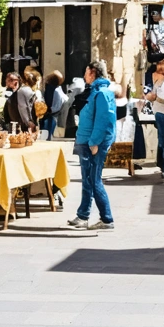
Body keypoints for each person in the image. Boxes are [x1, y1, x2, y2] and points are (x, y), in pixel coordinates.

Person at [67, 60, 116, 230]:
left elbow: (103, 120)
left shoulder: (101, 93)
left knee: (94, 181)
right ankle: (83, 215)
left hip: (92, 143)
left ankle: (107, 218)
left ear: (93, 72)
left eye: (86, 72)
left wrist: (95, 142)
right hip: (86, 141)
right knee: (88, 180)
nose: (84, 75)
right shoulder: (96, 92)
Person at [41, 71, 67, 139]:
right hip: (51, 116)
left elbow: (56, 105)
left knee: (46, 137)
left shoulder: (53, 90)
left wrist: (48, 110)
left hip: (50, 116)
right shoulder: (57, 89)